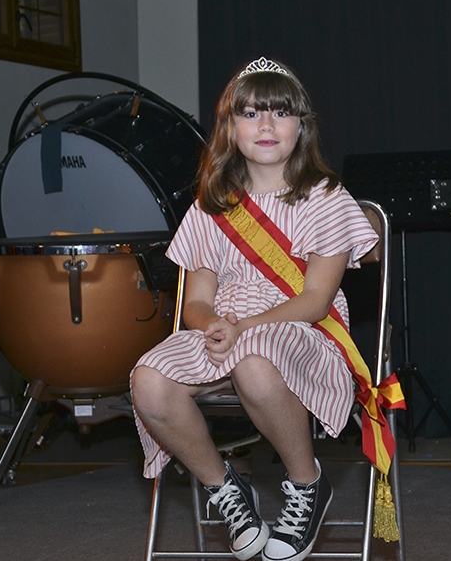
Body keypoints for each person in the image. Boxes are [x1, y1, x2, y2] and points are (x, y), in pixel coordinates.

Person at [130, 56, 378, 561]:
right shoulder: (211, 204)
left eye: (280, 113)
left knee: (254, 362)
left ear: (301, 127)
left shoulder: (326, 199)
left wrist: (244, 328)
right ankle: (227, 490)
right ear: (230, 128)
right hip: (229, 328)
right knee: (148, 382)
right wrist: (214, 324)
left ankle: (307, 484)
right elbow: (195, 303)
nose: (266, 125)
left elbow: (314, 301)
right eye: (250, 113)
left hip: (301, 329)